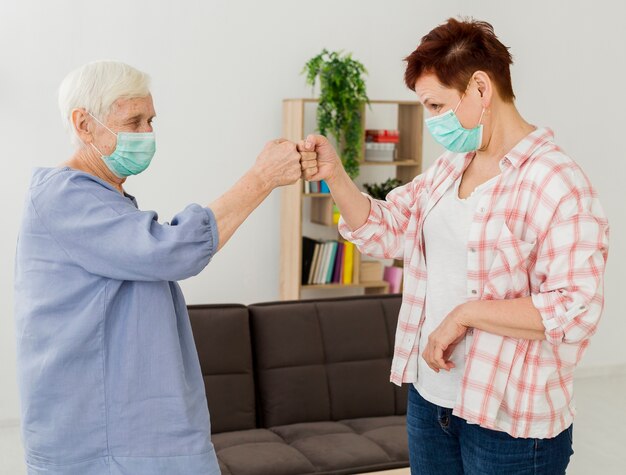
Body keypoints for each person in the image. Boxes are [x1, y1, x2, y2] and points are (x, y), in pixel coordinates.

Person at [298, 18, 609, 475]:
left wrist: (464, 314)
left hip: (510, 420)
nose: (433, 122)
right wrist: (335, 175)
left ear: (481, 88)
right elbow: (391, 227)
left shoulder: (556, 181)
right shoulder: (450, 168)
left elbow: (574, 307)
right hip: (433, 401)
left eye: (437, 105)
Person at [13, 60, 318, 475]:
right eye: (133, 121)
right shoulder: (65, 197)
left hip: (134, 432)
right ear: (84, 125)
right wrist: (261, 178)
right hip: (101, 438)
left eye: (150, 120)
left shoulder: (104, 197)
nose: (147, 135)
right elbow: (171, 251)